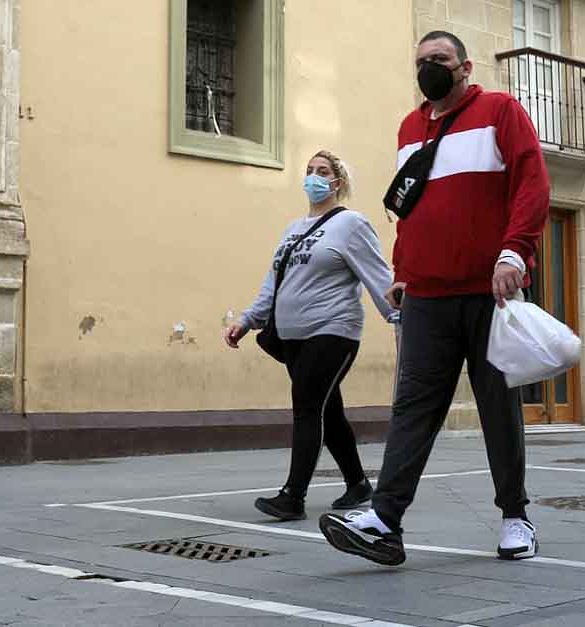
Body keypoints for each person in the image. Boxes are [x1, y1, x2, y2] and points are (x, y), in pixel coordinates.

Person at [319, 31, 550, 565]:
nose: (430, 69)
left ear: (465, 66)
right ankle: (385, 519)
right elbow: (411, 208)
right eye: (421, 62)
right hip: (426, 297)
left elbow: (531, 185)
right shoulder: (409, 127)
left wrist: (515, 253)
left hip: (489, 291)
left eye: (439, 60)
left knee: (498, 407)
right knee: (412, 409)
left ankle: (515, 516)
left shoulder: (501, 111)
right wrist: (402, 273)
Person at [225, 150, 401, 522]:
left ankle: (293, 496)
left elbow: (378, 275)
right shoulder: (293, 229)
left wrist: (401, 318)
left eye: (323, 171)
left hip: (333, 331)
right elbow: (274, 281)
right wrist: (248, 319)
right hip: (293, 337)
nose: (314, 177)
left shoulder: (351, 224)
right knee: (328, 410)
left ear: (338, 181)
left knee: (307, 405)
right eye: (309, 171)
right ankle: (357, 484)